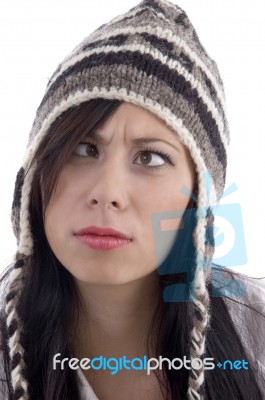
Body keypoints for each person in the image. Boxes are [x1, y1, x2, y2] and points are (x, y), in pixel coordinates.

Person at [0, 0, 265, 399]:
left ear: (203, 201)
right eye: (84, 149)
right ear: (35, 173)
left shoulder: (257, 338)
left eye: (151, 157)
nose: (107, 192)